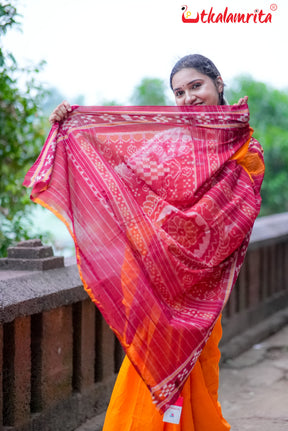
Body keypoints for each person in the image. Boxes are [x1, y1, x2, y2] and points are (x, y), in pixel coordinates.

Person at [46, 54, 262, 431]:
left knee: (197, 369)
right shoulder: (169, 141)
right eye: (179, 92)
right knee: (148, 365)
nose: (188, 98)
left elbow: (234, 215)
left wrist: (182, 231)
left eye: (196, 86)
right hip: (149, 278)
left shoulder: (244, 149)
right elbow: (117, 179)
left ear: (219, 83)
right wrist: (73, 127)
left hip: (198, 285)